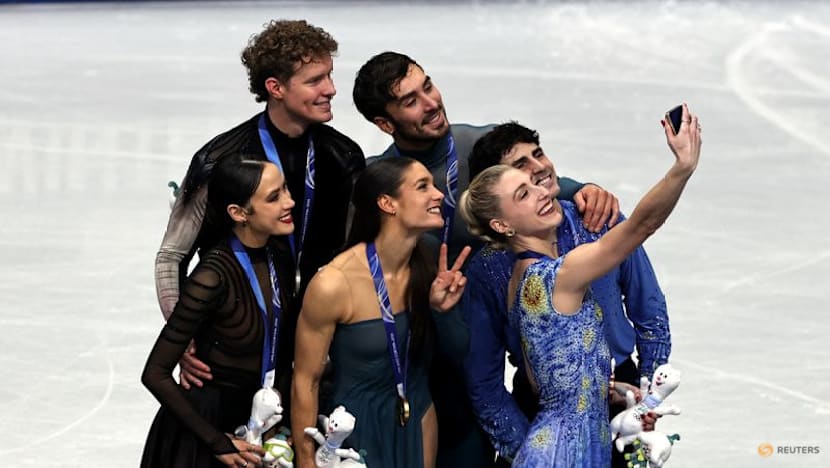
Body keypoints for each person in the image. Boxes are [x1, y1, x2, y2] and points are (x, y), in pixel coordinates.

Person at [352, 51, 619, 467]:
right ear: (385, 124)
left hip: (486, 346)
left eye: (428, 86)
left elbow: (543, 185)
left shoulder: (479, 145)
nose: (431, 102)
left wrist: (585, 189)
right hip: (418, 357)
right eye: (410, 101)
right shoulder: (379, 181)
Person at [458, 104, 701, 467]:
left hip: (576, 437)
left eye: (534, 181)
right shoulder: (556, 275)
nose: (541, 187)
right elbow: (641, 226)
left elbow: (551, 378)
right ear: (502, 225)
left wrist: (624, 392)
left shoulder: (523, 276)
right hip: (564, 451)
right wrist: (682, 168)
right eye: (523, 192)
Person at [154, 19, 365, 389]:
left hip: (318, 342)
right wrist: (182, 338)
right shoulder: (219, 161)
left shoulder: (344, 157)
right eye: (315, 80)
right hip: (235, 347)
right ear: (276, 88)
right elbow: (171, 256)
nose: (331, 89)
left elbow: (357, 253)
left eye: (330, 76)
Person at [292, 157, 472, 468]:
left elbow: (459, 352)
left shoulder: (430, 258)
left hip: (419, 416)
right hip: (356, 429)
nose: (439, 194)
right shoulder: (333, 283)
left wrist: (441, 312)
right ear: (388, 203)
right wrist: (306, 461)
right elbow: (306, 381)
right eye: (422, 187)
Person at [141, 154, 297, 468]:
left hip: (259, 420)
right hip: (206, 434)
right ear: (239, 213)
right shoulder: (212, 277)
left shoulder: (277, 255)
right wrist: (216, 441)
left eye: (285, 189)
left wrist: (281, 422)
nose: (289, 202)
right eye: (274, 197)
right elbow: (155, 373)